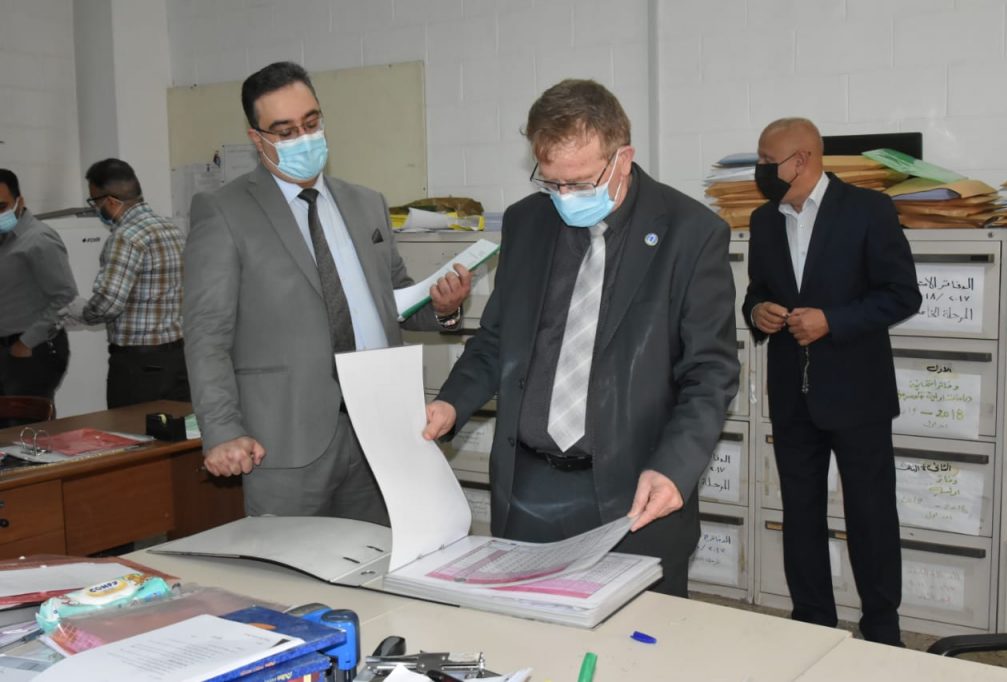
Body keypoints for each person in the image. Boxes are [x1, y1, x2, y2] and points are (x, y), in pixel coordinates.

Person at [422, 79, 739, 597]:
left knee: (639, 640)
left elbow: (710, 373)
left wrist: (675, 468)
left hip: (634, 492)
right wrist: (452, 403)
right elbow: (497, 339)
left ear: (623, 158)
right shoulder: (527, 222)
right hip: (528, 491)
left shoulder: (691, 233)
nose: (565, 197)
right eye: (552, 183)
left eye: (580, 182)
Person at [183, 61, 471, 522]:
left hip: (380, 430)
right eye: (285, 131)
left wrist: (442, 309)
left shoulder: (366, 203)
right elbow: (206, 336)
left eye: (311, 122)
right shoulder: (224, 211)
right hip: (286, 437)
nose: (304, 138)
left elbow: (392, 299)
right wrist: (221, 431)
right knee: (289, 563)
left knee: (380, 554)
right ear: (257, 138)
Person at [742, 117, 921, 645]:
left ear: (801, 160)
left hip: (858, 393)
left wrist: (832, 321)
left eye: (767, 160)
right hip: (791, 395)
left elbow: (902, 294)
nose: (759, 170)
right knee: (800, 513)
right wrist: (758, 313)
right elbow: (755, 291)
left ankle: (882, 630)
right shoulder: (764, 220)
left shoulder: (868, 209)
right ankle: (812, 622)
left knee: (870, 514)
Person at [64, 159, 189, 409]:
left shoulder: (126, 237)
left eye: (94, 203)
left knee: (130, 431)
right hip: (176, 357)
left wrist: (80, 312)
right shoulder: (171, 229)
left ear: (111, 201)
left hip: (138, 365)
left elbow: (109, 303)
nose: (96, 209)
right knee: (177, 429)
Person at [0, 168, 77, 413]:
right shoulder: (4, 239)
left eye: (1, 206)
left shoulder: (39, 239)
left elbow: (65, 296)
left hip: (32, 350)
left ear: (20, 202)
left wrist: (26, 342)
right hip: (7, 350)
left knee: (25, 427)